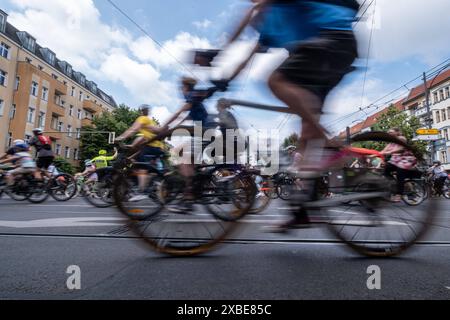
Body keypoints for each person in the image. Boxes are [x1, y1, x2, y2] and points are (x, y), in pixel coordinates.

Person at [213, 0, 360, 230]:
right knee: (306, 138)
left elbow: (246, 20)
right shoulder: (271, 25)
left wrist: (219, 52)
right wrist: (225, 80)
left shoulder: (275, 7)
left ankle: (332, 145)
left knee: (275, 81)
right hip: (331, 54)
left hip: (331, 41)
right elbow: (248, 57)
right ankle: (302, 212)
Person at [115, 104, 166, 202]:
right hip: (156, 147)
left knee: (141, 168)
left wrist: (120, 138)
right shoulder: (150, 122)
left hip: (152, 146)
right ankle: (151, 186)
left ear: (141, 111)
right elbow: (141, 139)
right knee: (136, 162)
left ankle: (142, 192)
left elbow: (133, 130)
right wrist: (131, 147)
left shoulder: (142, 118)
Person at [381, 128, 421, 202]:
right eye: (388, 132)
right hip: (395, 160)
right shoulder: (390, 143)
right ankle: (393, 184)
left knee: (400, 173)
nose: (388, 133)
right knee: (385, 170)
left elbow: (401, 149)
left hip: (406, 159)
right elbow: (383, 151)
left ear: (397, 132)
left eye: (391, 132)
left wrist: (388, 152)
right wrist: (374, 154)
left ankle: (399, 194)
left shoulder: (401, 138)